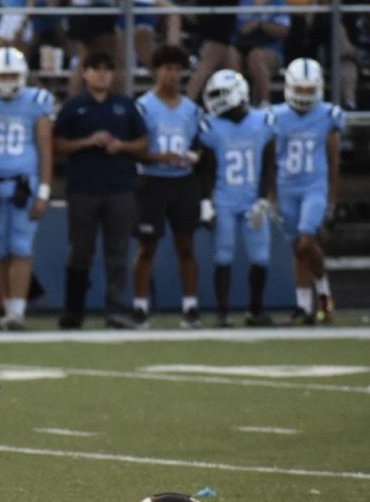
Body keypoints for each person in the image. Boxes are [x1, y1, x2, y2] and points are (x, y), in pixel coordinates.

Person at [53, 50, 148, 329]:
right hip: (83, 188)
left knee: (117, 251)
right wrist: (87, 141)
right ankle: (73, 311)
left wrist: (122, 146)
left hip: (120, 187)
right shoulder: (74, 106)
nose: (103, 74)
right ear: (85, 72)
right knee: (80, 251)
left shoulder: (125, 105)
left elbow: (143, 143)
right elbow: (57, 145)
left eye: (108, 68)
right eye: (96, 68)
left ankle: (117, 310)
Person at [0, 47, 54, 330]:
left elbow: (45, 150)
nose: (6, 81)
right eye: (2, 75)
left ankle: (17, 310)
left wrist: (44, 190)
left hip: (23, 185)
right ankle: (7, 308)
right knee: (0, 249)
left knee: (20, 247)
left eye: (11, 75)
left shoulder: (36, 101)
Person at [131, 45, 204, 328]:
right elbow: (136, 148)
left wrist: (194, 157)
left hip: (183, 181)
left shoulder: (191, 109)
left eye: (177, 69)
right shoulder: (143, 105)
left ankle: (190, 306)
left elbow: (201, 147)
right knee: (146, 245)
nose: (172, 75)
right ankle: (139, 306)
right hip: (153, 180)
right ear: (155, 71)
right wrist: (160, 157)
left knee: (186, 244)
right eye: (167, 69)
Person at [197, 69, 277, 326]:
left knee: (261, 256)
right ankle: (222, 313)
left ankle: (255, 310)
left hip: (252, 199)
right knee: (223, 255)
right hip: (224, 198)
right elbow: (206, 168)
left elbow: (269, 163)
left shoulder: (262, 121)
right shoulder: (210, 126)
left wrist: (264, 199)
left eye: (221, 94)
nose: (216, 100)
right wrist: (206, 202)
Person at [268, 58, 344, 324]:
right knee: (296, 249)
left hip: (314, 186)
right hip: (286, 187)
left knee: (306, 241)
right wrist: (269, 196)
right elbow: (270, 158)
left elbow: (334, 159)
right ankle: (303, 306)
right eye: (299, 89)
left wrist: (332, 199)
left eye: (309, 89)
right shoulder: (276, 116)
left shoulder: (328, 115)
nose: (304, 94)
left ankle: (323, 295)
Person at [233, 0, 290, 107]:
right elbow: (240, 29)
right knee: (231, 55)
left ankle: (264, 103)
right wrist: (253, 25)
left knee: (256, 56)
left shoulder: (278, 0)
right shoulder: (245, 0)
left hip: (271, 48)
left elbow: (283, 30)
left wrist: (261, 25)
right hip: (244, 45)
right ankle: (237, 102)